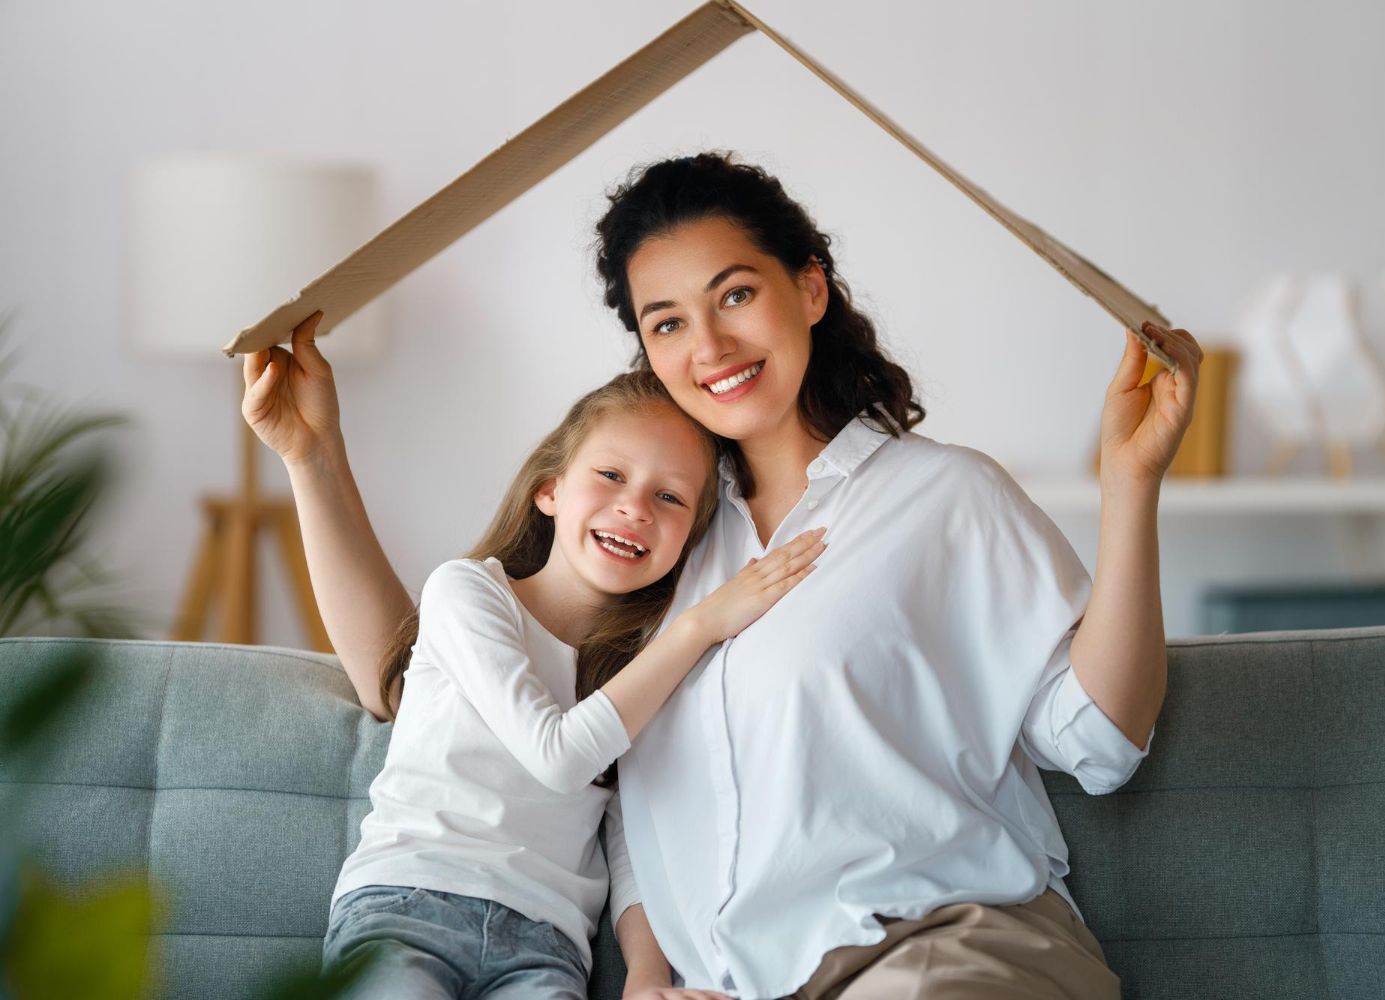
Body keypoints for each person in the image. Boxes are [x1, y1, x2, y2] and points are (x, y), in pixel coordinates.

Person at [243, 151, 1201, 999]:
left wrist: (1130, 487)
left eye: (736, 294)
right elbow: (414, 679)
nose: (708, 346)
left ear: (810, 290)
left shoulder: (945, 497)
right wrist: (311, 458)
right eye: (667, 322)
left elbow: (1103, 743)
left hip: (941, 951)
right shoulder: (660, 544)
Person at [249, 364, 825, 999]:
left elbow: (633, 842)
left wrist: (646, 977)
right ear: (550, 490)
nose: (635, 506)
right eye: (611, 475)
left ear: (688, 539)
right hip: (408, 908)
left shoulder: (640, 676)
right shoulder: (468, 592)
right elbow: (559, 756)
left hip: (545, 945)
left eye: (671, 497)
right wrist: (702, 626)